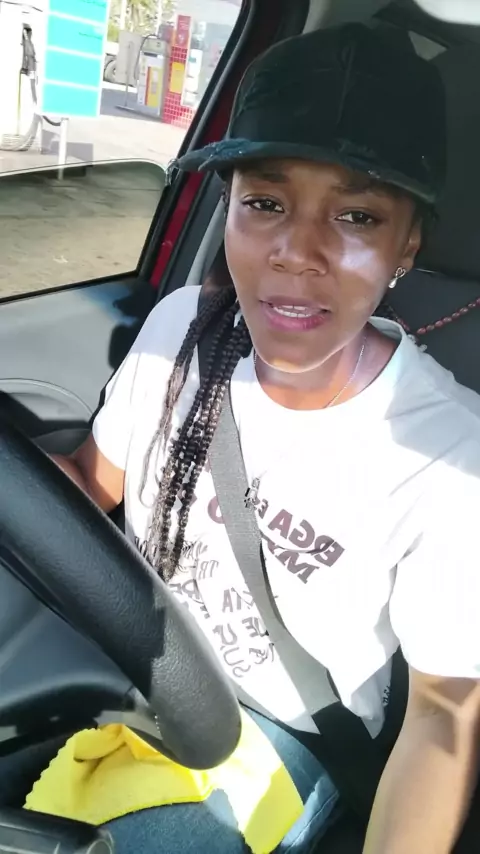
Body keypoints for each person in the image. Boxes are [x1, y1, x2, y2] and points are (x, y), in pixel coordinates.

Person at [49, 22, 480, 854]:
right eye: (266, 203)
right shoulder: (182, 327)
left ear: (407, 244)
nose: (296, 251)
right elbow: (89, 485)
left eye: (357, 215)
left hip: (279, 738)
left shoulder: (449, 458)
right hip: (126, 660)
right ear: (230, 208)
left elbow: (443, 714)